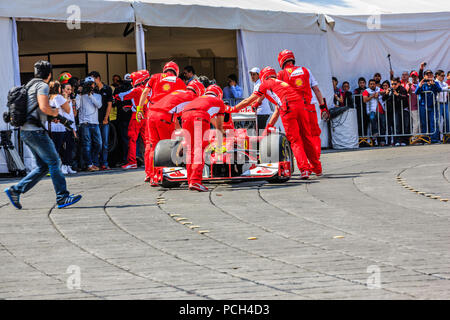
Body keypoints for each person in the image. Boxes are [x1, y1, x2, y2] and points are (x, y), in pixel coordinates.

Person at [4, 60, 82, 209]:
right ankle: (62, 197)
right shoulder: (42, 85)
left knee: (43, 167)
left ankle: (16, 190)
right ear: (49, 74)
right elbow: (44, 107)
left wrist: (51, 116)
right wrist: (55, 112)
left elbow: (34, 110)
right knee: (54, 161)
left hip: (26, 131)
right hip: (36, 132)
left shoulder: (28, 85)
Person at [232, 66, 322, 179]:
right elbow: (276, 110)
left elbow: (248, 100)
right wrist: (269, 126)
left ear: (263, 76)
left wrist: (233, 109)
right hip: (301, 106)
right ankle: (317, 168)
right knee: (307, 137)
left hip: (288, 109)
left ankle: (305, 170)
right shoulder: (282, 84)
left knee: (295, 140)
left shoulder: (265, 84)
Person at [147, 79, 206, 186]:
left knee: (154, 148)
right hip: (164, 117)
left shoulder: (178, 92)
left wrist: (180, 130)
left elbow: (175, 114)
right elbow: (188, 117)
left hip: (151, 115)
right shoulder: (193, 98)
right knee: (168, 148)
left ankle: (153, 177)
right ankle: (165, 176)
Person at [276, 49, 329, 166]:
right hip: (309, 107)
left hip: (291, 108)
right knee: (313, 134)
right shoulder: (306, 70)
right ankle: (315, 161)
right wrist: (323, 107)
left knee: (297, 139)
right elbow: (316, 90)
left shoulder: (280, 75)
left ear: (281, 61)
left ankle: (304, 167)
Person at [137, 61, 186, 180]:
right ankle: (162, 175)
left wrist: (139, 109)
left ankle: (150, 174)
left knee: (151, 145)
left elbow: (145, 92)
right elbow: (184, 99)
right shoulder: (178, 81)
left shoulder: (154, 77)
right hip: (166, 116)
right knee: (166, 146)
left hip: (151, 114)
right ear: (176, 71)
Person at [181, 84, 226, 192]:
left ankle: (190, 180)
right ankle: (196, 181)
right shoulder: (220, 103)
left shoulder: (199, 99)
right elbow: (219, 127)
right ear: (219, 95)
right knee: (199, 148)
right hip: (200, 116)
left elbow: (210, 119)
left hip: (185, 115)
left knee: (190, 149)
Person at [115, 70, 150, 171]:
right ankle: (148, 161)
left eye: (132, 80)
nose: (131, 82)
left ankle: (132, 162)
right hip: (146, 115)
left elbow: (121, 96)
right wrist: (130, 106)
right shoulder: (148, 89)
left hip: (136, 116)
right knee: (147, 140)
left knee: (132, 138)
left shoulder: (136, 90)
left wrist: (114, 97)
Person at [76, 76, 103, 171]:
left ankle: (94, 162)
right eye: (88, 85)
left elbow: (99, 105)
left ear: (94, 85)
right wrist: (79, 93)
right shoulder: (81, 96)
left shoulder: (97, 95)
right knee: (87, 144)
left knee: (99, 144)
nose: (90, 86)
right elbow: (77, 106)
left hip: (95, 123)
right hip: (85, 123)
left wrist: (90, 95)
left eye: (91, 84)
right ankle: (89, 164)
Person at [89, 71, 113, 170]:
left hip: (104, 119)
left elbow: (109, 104)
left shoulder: (107, 88)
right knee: (96, 143)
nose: (92, 81)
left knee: (105, 143)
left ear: (98, 78)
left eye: (93, 79)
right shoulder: (92, 90)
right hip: (93, 120)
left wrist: (106, 118)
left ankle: (104, 163)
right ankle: (95, 163)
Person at [47, 81, 71, 174]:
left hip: (49, 126)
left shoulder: (47, 98)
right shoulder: (59, 97)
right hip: (59, 126)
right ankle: (54, 168)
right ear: (58, 88)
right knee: (58, 148)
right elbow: (68, 110)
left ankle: (52, 167)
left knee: (53, 147)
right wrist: (66, 101)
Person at [415, 69, 442, 143]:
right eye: (427, 74)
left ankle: (434, 139)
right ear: (424, 76)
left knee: (434, 122)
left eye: (430, 74)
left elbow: (439, 90)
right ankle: (425, 139)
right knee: (424, 123)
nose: (429, 75)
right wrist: (420, 85)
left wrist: (433, 84)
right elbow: (416, 92)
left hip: (433, 106)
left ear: (433, 75)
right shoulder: (422, 83)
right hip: (423, 106)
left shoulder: (435, 82)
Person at [113, 73, 133, 166]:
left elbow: (114, 102)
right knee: (134, 139)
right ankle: (135, 158)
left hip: (122, 118)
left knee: (124, 139)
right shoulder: (135, 89)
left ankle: (126, 159)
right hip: (134, 117)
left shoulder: (118, 90)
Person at [382, 77, 409, 146]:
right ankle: (397, 141)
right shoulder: (390, 90)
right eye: (392, 84)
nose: (393, 85)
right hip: (396, 110)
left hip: (403, 109)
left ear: (399, 83)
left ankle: (404, 141)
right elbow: (383, 98)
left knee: (405, 126)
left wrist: (398, 94)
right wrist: (386, 93)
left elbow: (405, 97)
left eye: (395, 84)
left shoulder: (402, 89)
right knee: (397, 125)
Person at [249, 67, 273, 131]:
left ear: (258, 75)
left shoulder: (259, 84)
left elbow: (257, 97)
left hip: (262, 112)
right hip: (261, 112)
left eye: (254, 74)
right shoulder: (257, 83)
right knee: (257, 132)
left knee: (259, 133)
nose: (252, 76)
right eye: (251, 74)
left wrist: (247, 103)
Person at [61, 82, 78, 174]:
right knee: (62, 147)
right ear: (63, 89)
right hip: (62, 126)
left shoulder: (72, 100)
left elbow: (72, 115)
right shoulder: (60, 99)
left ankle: (68, 165)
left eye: (70, 89)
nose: (69, 91)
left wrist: (74, 129)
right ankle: (63, 165)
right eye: (68, 89)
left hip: (70, 126)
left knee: (70, 146)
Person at [363, 79, 384, 145]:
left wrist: (379, 93)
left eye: (373, 84)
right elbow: (365, 100)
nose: (372, 85)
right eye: (371, 84)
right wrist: (372, 96)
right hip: (371, 110)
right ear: (369, 85)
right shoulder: (366, 91)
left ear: (375, 84)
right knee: (372, 120)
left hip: (380, 110)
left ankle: (382, 141)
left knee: (382, 124)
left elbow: (384, 92)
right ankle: (374, 135)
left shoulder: (378, 89)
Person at [435, 70, 449, 139]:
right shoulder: (435, 82)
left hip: (445, 103)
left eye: (444, 75)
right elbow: (439, 90)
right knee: (439, 120)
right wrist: (447, 88)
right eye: (442, 75)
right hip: (438, 103)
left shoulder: (445, 83)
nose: (443, 77)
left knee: (447, 119)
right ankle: (439, 137)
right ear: (437, 76)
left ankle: (447, 136)